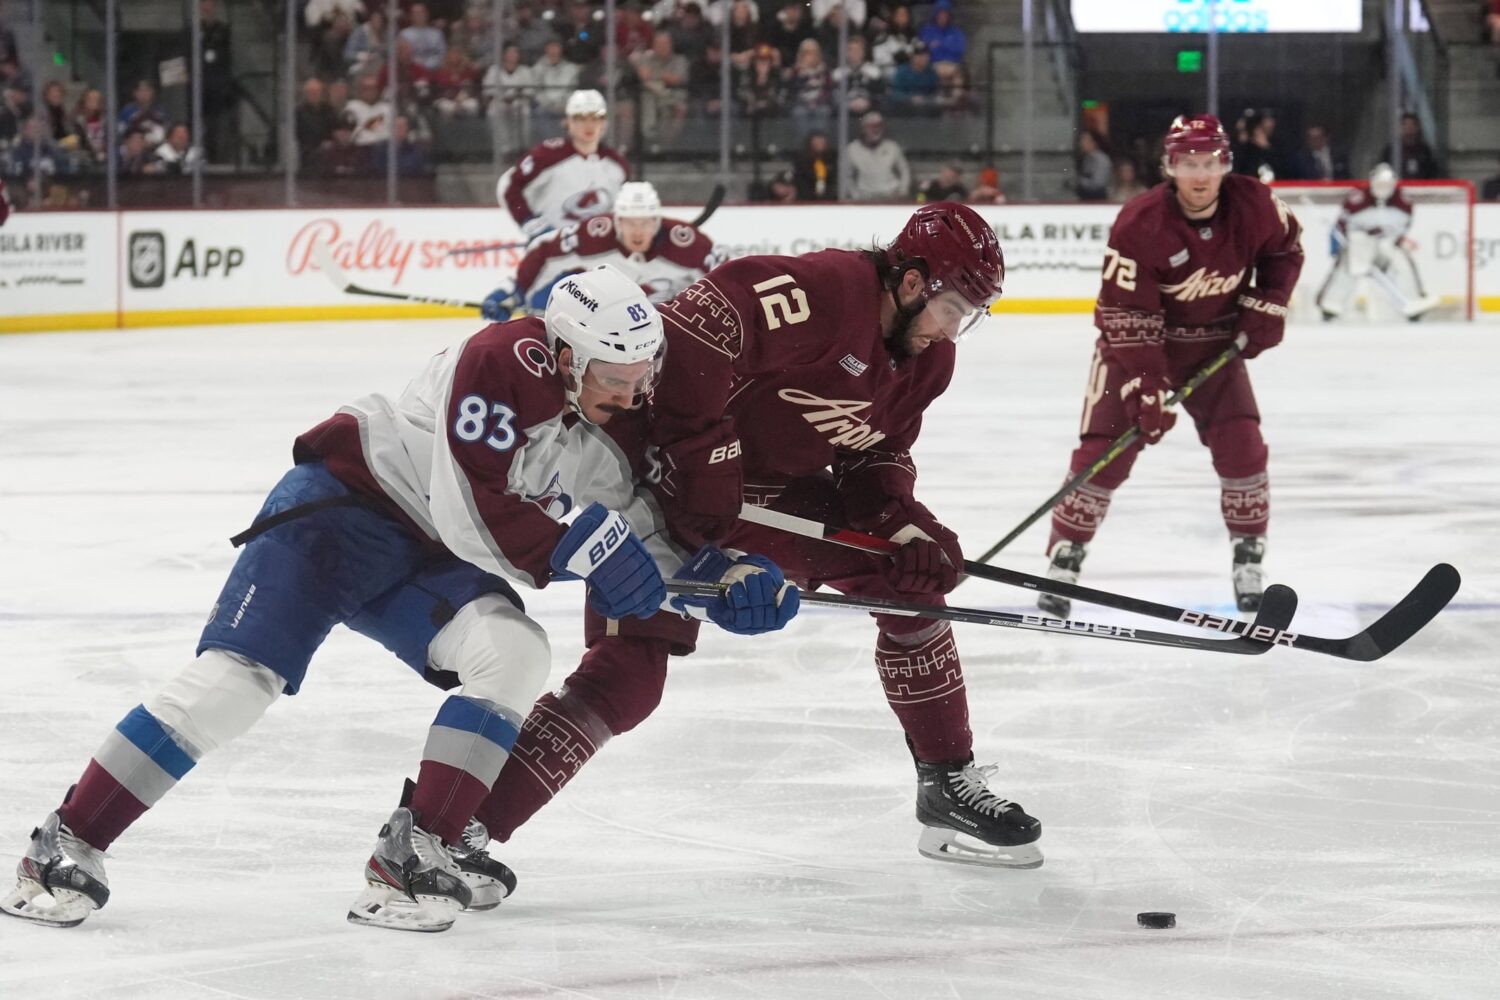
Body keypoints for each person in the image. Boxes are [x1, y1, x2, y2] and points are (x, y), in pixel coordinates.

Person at [0, 265, 797, 932]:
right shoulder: (504, 359)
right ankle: (62, 844)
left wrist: (718, 580)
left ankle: (412, 855)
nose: (634, 396)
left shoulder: (600, 433)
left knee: (512, 652)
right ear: (562, 355)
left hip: (421, 554)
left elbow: (643, 542)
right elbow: (472, 509)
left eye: (642, 378)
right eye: (617, 379)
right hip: (342, 509)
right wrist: (586, 551)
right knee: (235, 684)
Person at [463, 202, 1044, 874]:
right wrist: (702, 460)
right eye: (955, 309)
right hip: (657, 483)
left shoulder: (926, 362)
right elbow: (697, 327)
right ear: (912, 283)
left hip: (760, 499)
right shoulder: (829, 292)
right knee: (628, 677)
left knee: (905, 583)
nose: (953, 330)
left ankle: (946, 781)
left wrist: (903, 525)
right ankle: (462, 824)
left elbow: (871, 457)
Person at [1038, 115, 1304, 617]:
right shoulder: (1141, 222)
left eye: (1209, 163)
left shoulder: (1256, 206)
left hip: (1213, 347)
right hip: (1135, 350)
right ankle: (1065, 557)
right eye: (1187, 164)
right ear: (1170, 167)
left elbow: (1286, 249)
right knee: (1106, 450)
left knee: (1242, 444)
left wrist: (1269, 302)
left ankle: (1249, 557)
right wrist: (1144, 382)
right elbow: (1124, 311)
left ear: (1225, 164)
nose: (1199, 176)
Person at [481, 180, 724, 318]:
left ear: (656, 222)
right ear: (617, 222)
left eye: (645, 222)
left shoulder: (687, 244)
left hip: (669, 328)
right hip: (610, 330)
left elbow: (727, 277)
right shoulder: (594, 235)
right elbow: (543, 251)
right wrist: (512, 292)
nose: (637, 231)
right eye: (630, 222)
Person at [496, 89, 631, 243]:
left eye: (596, 118)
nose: (589, 125)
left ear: (604, 122)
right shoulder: (547, 155)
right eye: (581, 118)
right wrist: (529, 221)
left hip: (597, 252)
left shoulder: (617, 165)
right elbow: (509, 185)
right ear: (568, 122)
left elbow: (621, 210)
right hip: (551, 248)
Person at [1314, 163, 1439, 322]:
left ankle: (1413, 302)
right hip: (1361, 243)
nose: (1383, 188)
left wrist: (1395, 239)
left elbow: (1403, 228)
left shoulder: (1403, 202)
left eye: (1387, 184)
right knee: (1347, 268)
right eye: (1379, 184)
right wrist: (1345, 241)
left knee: (1402, 263)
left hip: (1386, 243)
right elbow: (1342, 224)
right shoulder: (1357, 198)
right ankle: (1330, 306)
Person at [845, 111, 911, 201]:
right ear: (863, 129)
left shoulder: (892, 147)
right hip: (865, 198)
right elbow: (846, 176)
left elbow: (904, 171)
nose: (875, 130)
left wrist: (903, 190)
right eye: (871, 127)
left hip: (891, 196)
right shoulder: (852, 149)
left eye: (878, 126)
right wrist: (855, 195)